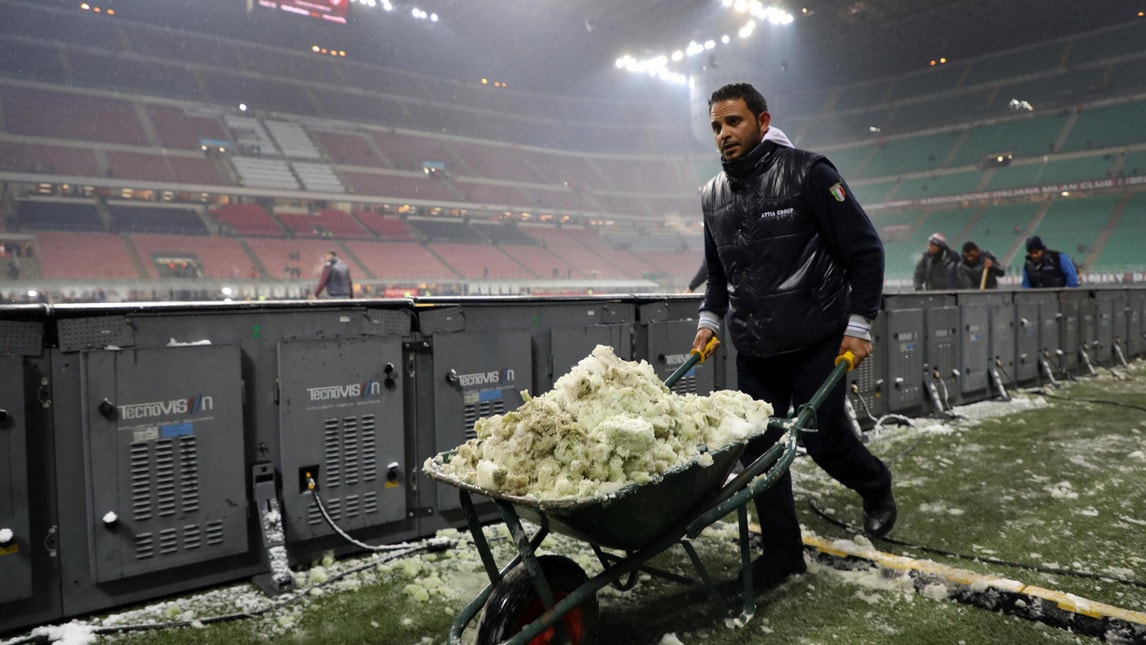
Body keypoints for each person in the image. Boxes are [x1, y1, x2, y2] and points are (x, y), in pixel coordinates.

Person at [690, 83, 895, 592]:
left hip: (817, 338)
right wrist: (709, 321)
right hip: (755, 348)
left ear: (762, 121)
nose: (724, 134)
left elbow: (865, 251)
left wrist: (860, 324)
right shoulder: (712, 195)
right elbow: (719, 275)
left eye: (733, 122)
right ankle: (783, 554)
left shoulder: (809, 172)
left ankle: (876, 486)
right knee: (758, 453)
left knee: (825, 440)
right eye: (716, 126)